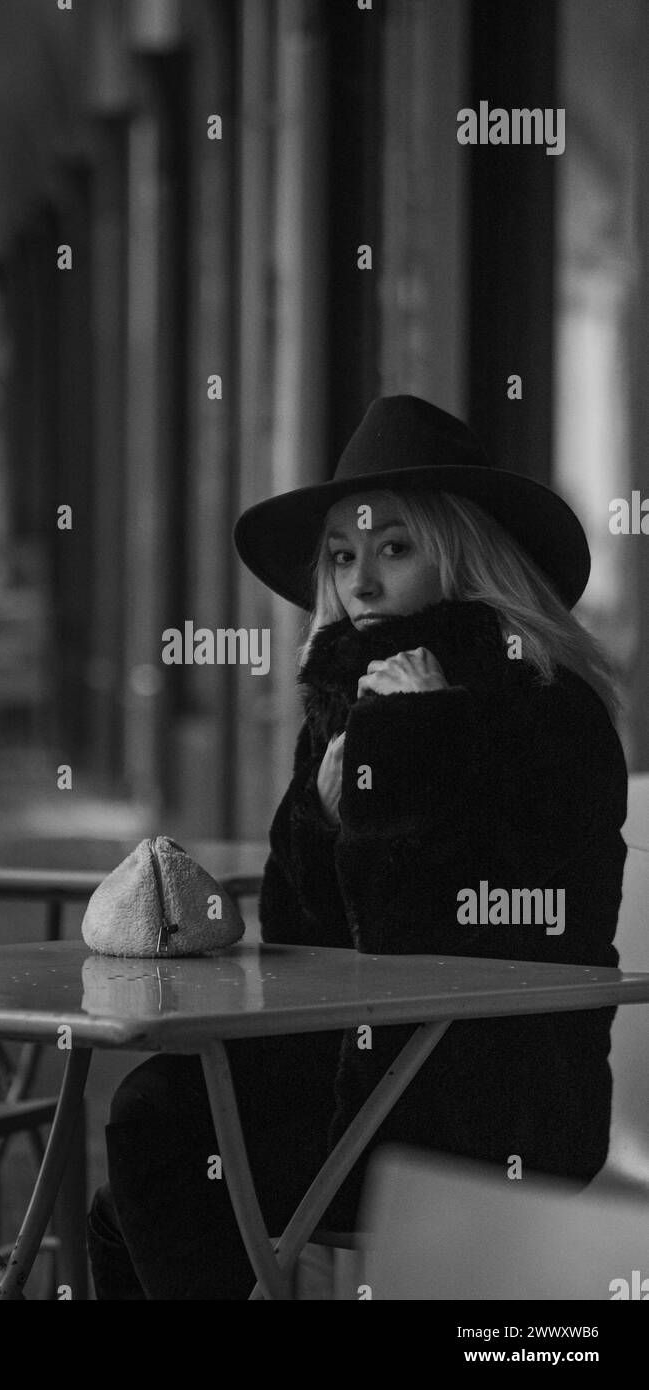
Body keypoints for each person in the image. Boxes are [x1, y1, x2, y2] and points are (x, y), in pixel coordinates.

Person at [86, 394, 627, 1299]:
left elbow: (434, 939)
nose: (362, 583)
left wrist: (403, 752)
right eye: (343, 556)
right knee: (138, 1169)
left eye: (395, 548)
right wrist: (328, 813)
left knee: (157, 1140)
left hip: (489, 1099)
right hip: (358, 1072)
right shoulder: (351, 705)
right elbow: (303, 934)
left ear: (464, 556)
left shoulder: (543, 711)